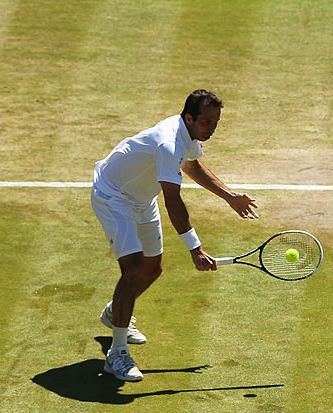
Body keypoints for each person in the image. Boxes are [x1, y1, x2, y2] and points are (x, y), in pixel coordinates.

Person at [91, 89, 258, 381]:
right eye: (207, 122)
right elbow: (173, 200)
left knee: (152, 269)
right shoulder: (167, 143)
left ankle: (115, 312)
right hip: (113, 197)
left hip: (141, 200)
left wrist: (229, 196)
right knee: (132, 271)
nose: (212, 129)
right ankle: (116, 353)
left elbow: (192, 165)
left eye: (216, 123)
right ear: (189, 118)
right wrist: (195, 249)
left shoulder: (188, 137)